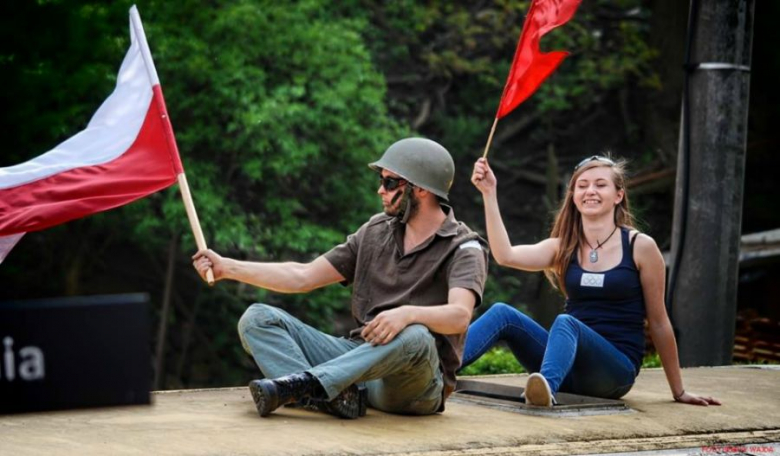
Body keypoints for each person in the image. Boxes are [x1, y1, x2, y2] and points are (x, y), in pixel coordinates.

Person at [193, 138, 488, 419]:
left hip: (412, 384)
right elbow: (303, 276)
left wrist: (407, 315)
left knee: (416, 335)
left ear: (420, 189)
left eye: (389, 182)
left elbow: (459, 316)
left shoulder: (464, 246)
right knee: (257, 318)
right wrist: (227, 268)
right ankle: (330, 396)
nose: (380, 191)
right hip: (359, 363)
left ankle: (306, 387)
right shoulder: (375, 230)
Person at [464, 155, 720, 407]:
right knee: (502, 314)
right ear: (574, 196)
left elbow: (659, 321)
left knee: (566, 323)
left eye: (600, 184)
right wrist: (489, 193)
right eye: (582, 185)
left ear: (618, 195)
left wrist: (679, 391)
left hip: (613, 372)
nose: (590, 191)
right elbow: (505, 255)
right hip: (568, 368)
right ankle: (435, 370)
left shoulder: (640, 247)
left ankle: (543, 393)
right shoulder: (563, 247)